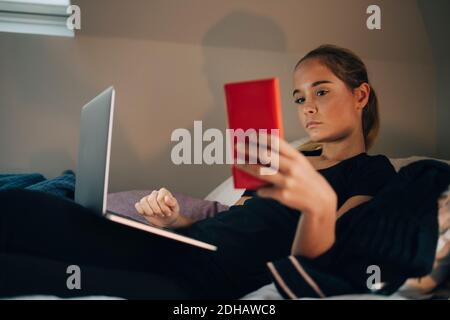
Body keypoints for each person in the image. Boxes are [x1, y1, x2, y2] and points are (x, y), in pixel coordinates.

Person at [0, 44, 399, 299]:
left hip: (214, 278)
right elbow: (234, 219)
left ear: (360, 94)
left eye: (321, 91)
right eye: (299, 97)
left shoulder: (370, 170)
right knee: (22, 218)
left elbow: (333, 249)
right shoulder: (285, 160)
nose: (307, 106)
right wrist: (178, 220)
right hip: (183, 249)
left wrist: (315, 201)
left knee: (21, 228)